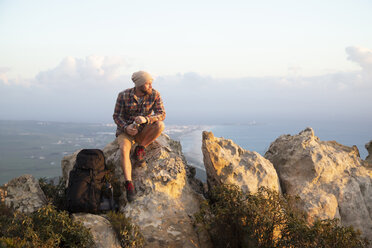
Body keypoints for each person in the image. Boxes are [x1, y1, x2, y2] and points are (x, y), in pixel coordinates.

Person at [113, 71, 165, 202]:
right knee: (124, 150)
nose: (150, 86)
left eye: (151, 83)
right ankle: (129, 184)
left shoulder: (154, 94)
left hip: (144, 129)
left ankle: (141, 148)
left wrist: (146, 119)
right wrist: (126, 127)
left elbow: (162, 114)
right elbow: (116, 116)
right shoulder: (123, 95)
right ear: (139, 84)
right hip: (126, 131)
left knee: (160, 125)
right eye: (147, 83)